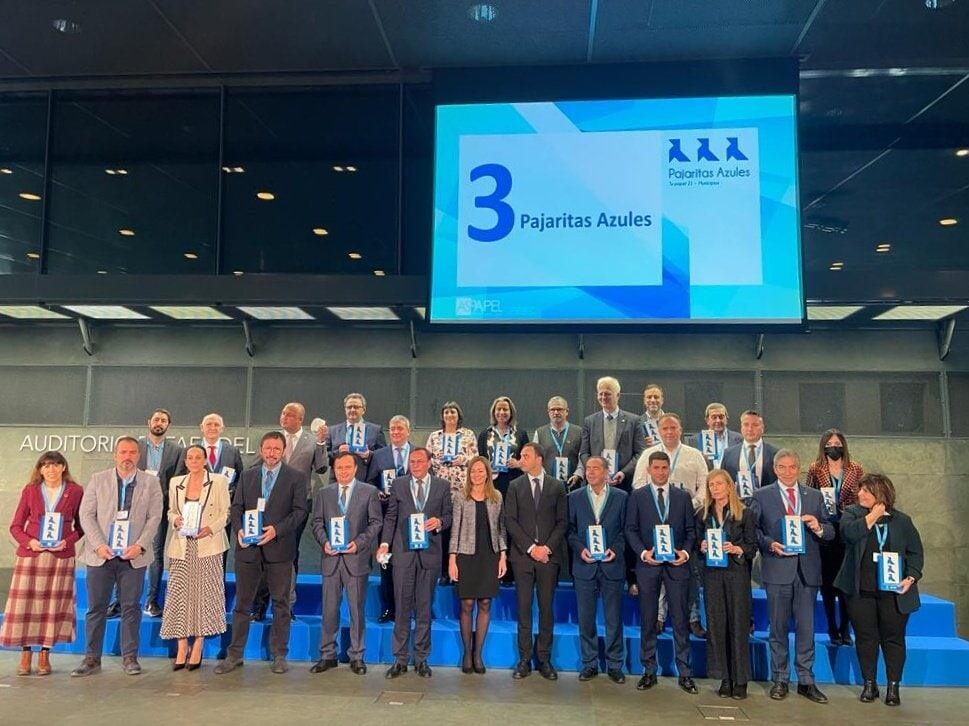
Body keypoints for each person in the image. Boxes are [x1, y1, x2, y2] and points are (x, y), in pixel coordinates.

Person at [215, 432, 309, 675]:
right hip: (248, 550)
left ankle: (279, 654)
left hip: (279, 549)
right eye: (267, 448)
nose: (271, 453)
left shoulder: (296, 478)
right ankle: (234, 654)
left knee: (280, 603)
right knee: (242, 605)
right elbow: (236, 508)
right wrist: (239, 531)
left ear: (283, 450)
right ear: (261, 449)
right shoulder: (247, 476)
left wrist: (276, 530)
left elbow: (299, 512)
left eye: (276, 449)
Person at [72, 437, 163, 677]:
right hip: (101, 555)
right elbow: (86, 514)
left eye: (132, 452)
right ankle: (91, 658)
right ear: (115, 455)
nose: (128, 456)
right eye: (123, 452)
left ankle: (130, 658)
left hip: (133, 557)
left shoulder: (151, 482)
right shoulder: (97, 479)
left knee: (131, 607)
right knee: (96, 608)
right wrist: (99, 545)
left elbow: (155, 518)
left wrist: (140, 546)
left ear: (138, 456)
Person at [753, 448, 834, 703]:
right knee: (777, 628)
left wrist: (819, 527)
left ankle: (806, 680)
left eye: (792, 467)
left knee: (806, 629)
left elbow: (831, 531)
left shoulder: (815, 496)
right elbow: (752, 530)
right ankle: (780, 678)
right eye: (783, 467)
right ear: (775, 469)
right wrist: (768, 544)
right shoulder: (761, 496)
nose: (788, 472)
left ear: (798, 469)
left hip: (807, 571)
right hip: (777, 569)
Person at [835, 474, 923, 707]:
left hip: (894, 592)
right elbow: (849, 534)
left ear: (881, 493)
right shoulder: (852, 514)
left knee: (893, 639)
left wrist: (911, 577)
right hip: (861, 591)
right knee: (866, 638)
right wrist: (873, 516)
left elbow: (915, 552)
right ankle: (869, 683)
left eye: (867, 490)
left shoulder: (902, 521)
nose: (860, 494)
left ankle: (893, 686)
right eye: (860, 490)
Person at [1, 452, 84, 676]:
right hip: (32, 556)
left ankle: (45, 654)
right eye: (46, 466)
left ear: (64, 467)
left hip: (60, 558)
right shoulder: (30, 491)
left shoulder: (75, 491)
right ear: (40, 469)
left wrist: (66, 541)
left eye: (56, 465)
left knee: (53, 607)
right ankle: (26, 652)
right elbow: (15, 526)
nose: (51, 469)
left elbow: (82, 527)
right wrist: (31, 542)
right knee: (25, 606)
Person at [625, 451, 697, 694]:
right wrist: (644, 554)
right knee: (648, 619)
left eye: (664, 467)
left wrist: (684, 554)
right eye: (656, 467)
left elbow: (690, 531)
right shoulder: (637, 497)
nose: (660, 472)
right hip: (648, 566)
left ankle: (685, 673)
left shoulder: (682, 497)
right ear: (649, 469)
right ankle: (648, 670)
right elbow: (630, 530)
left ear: (669, 469)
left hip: (677, 567)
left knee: (680, 619)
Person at [378, 447, 452, 679]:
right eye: (412, 462)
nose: (415, 465)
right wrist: (384, 544)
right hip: (403, 555)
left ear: (429, 463)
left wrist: (439, 521)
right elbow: (391, 517)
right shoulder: (399, 484)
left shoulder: (442, 486)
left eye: (420, 461)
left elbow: (449, 516)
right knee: (401, 607)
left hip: (430, 555)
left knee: (424, 608)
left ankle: (421, 659)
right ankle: (399, 659)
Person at [252, 401, 329, 622]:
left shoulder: (312, 441)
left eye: (289, 414)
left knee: (289, 555)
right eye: (283, 413)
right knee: (263, 555)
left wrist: (322, 443)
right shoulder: (273, 439)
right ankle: (259, 606)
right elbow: (255, 465)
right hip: (268, 504)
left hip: (298, 505)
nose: (284, 417)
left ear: (300, 419)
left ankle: (286, 606)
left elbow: (322, 467)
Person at [632, 412, 708, 637]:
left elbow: (704, 487)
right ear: (658, 431)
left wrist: (685, 505)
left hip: (686, 520)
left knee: (687, 571)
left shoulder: (695, 455)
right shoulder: (648, 455)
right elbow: (638, 485)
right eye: (664, 428)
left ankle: (693, 618)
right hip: (653, 523)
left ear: (680, 430)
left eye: (673, 428)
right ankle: (658, 617)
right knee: (657, 569)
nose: (668, 432)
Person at [310, 452, 382, 675]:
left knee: (356, 611)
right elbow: (317, 522)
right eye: (339, 467)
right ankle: (327, 654)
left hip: (356, 559)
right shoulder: (324, 493)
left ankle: (357, 656)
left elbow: (375, 523)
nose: (343, 471)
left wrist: (358, 544)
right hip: (330, 559)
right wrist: (324, 543)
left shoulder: (368, 492)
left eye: (347, 467)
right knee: (329, 610)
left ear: (355, 468)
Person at [159, 444, 230, 670]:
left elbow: (226, 513)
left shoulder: (218, 481)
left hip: (207, 544)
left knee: (204, 595)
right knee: (180, 595)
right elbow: (171, 511)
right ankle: (182, 646)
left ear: (205, 459)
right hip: (182, 545)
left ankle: (198, 644)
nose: (193, 460)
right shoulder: (176, 483)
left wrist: (210, 528)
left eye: (198, 457)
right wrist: (175, 520)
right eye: (190, 457)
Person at [505, 442, 567, 680]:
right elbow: (510, 521)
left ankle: (544, 659)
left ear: (539, 459)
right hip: (523, 558)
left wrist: (547, 548)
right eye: (521, 456)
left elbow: (562, 522)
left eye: (525, 455)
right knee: (523, 609)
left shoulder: (557, 486)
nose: (521, 459)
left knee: (546, 610)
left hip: (548, 559)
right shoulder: (515, 486)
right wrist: (532, 548)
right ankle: (524, 659)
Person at [697, 469, 757, 700]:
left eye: (719, 484)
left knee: (738, 625)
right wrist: (701, 548)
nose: (714, 488)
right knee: (717, 625)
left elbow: (753, 546)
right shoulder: (703, 514)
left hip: (736, 574)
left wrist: (738, 549)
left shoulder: (745, 513)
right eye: (711, 484)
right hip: (713, 575)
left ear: (729, 486)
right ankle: (724, 677)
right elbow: (695, 543)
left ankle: (740, 680)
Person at [567, 455, 627, 683]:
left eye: (595, 468)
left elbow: (625, 530)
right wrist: (580, 549)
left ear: (606, 472)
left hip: (612, 565)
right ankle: (589, 663)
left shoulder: (621, 497)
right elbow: (570, 530)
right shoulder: (574, 497)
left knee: (613, 618)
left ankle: (614, 665)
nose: (590, 472)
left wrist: (616, 549)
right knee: (586, 618)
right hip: (585, 566)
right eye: (588, 469)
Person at [448, 456, 507, 674]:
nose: (477, 475)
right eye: (473, 471)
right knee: (467, 605)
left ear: (487, 473)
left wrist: (503, 556)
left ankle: (478, 654)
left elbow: (501, 529)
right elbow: (454, 530)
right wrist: (452, 559)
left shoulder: (496, 497)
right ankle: (466, 652)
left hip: (489, 555)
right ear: (469, 473)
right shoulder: (460, 497)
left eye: (481, 471)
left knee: (484, 604)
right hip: (466, 554)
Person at [806, 429, 864, 646]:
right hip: (826, 528)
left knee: (846, 581)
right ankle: (832, 626)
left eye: (837, 442)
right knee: (828, 582)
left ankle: (845, 628)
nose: (833, 446)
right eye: (829, 443)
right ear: (824, 446)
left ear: (844, 445)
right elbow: (810, 494)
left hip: (848, 527)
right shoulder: (815, 468)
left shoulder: (855, 468)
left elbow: (862, 496)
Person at [366, 414, 415, 622]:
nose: (395, 432)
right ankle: (389, 607)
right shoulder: (379, 455)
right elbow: (370, 483)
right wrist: (377, 492)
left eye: (399, 429)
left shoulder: (418, 454)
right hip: (386, 516)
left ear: (408, 431)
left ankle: (408, 608)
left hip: (412, 518)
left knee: (411, 564)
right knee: (386, 562)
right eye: (392, 429)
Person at [139, 408, 185, 618]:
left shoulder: (176, 450)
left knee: (155, 554)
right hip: (134, 507)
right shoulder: (136, 446)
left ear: (168, 425)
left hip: (160, 507)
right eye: (156, 419)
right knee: (126, 551)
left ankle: (151, 601)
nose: (159, 422)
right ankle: (118, 602)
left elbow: (176, 481)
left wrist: (159, 495)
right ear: (149, 421)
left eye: (164, 420)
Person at [579, 376, 645, 491]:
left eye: (607, 394)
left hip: (624, 483)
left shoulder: (634, 421)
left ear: (618, 395)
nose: (603, 397)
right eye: (600, 394)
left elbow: (640, 453)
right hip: (596, 484)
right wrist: (595, 471)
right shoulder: (589, 421)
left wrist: (623, 473)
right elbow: (584, 453)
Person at [477, 395, 529, 500]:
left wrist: (518, 464)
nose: (501, 412)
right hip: (491, 483)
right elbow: (480, 459)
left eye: (505, 409)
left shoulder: (521, 434)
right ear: (493, 412)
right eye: (498, 409)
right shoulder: (485, 434)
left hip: (514, 481)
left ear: (511, 413)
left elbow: (528, 458)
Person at [326, 392, 386, 480]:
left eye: (356, 407)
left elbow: (384, 457)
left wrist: (369, 455)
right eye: (349, 407)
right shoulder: (332, 431)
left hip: (366, 482)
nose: (352, 410)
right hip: (337, 482)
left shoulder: (376, 430)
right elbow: (324, 458)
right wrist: (337, 452)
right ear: (345, 409)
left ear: (364, 410)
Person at [721, 410, 779, 499]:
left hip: (767, 504)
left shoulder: (775, 453)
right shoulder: (728, 454)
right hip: (738, 505)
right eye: (746, 424)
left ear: (762, 428)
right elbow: (724, 481)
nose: (750, 429)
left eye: (755, 425)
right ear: (741, 428)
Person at [426, 401, 479, 494]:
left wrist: (463, 460)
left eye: (453, 412)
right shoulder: (434, 436)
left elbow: (476, 458)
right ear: (442, 416)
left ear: (459, 415)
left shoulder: (468, 434)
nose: (449, 415)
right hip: (439, 484)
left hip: (462, 485)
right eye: (446, 412)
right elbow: (426, 460)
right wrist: (438, 460)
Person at [532, 396, 584, 488]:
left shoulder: (579, 432)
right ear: (548, 412)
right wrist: (543, 476)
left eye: (559, 409)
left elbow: (583, 457)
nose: (556, 412)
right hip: (547, 486)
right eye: (552, 410)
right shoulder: (539, 433)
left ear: (567, 411)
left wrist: (577, 475)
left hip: (572, 485)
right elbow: (535, 458)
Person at [686, 403, 742, 471]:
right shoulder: (695, 440)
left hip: (730, 480)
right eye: (714, 417)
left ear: (727, 419)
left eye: (721, 417)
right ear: (707, 420)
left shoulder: (739, 439)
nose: (718, 421)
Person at [639, 383, 665, 448]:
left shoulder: (672, 422)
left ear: (662, 400)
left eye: (656, 397)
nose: (653, 400)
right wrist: (642, 445)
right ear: (644, 401)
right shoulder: (637, 423)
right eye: (649, 397)